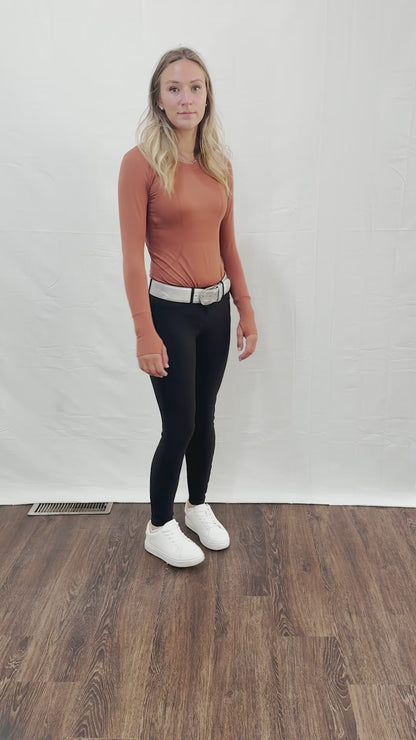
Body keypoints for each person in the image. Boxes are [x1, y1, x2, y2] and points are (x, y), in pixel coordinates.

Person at [118, 47, 257, 568]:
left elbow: (228, 246)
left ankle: (197, 506)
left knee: (205, 419)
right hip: (169, 314)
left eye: (195, 87)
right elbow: (131, 257)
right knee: (178, 425)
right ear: (158, 97)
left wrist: (245, 308)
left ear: (207, 96)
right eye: (174, 88)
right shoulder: (139, 164)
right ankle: (159, 526)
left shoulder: (219, 165)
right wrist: (143, 331)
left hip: (215, 312)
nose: (185, 98)